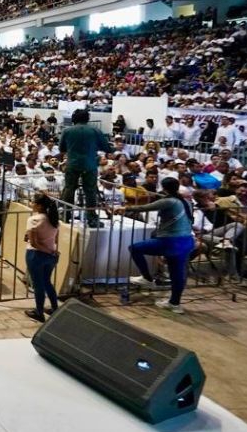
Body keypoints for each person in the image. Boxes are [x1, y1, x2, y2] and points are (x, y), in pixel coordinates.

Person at [113, 176, 195, 314]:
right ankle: (175, 304)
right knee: (177, 274)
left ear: (163, 188)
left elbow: (144, 207)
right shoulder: (186, 202)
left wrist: (124, 208)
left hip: (170, 242)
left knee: (135, 248)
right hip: (186, 241)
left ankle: (147, 278)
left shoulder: (169, 201)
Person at [58, 109, 112, 227]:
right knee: (90, 191)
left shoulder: (67, 131)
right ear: (87, 118)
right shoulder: (95, 130)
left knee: (69, 189)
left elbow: (61, 149)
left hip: (72, 164)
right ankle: (92, 218)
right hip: (90, 165)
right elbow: (107, 148)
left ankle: (66, 215)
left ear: (73, 119)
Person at [23, 193, 60, 322]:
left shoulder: (34, 220)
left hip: (36, 255)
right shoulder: (54, 219)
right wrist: (53, 251)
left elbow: (34, 243)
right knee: (47, 282)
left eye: (33, 202)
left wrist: (48, 251)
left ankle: (39, 312)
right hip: (51, 256)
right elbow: (55, 238)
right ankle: (55, 308)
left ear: (39, 206)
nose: (31, 204)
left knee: (38, 285)